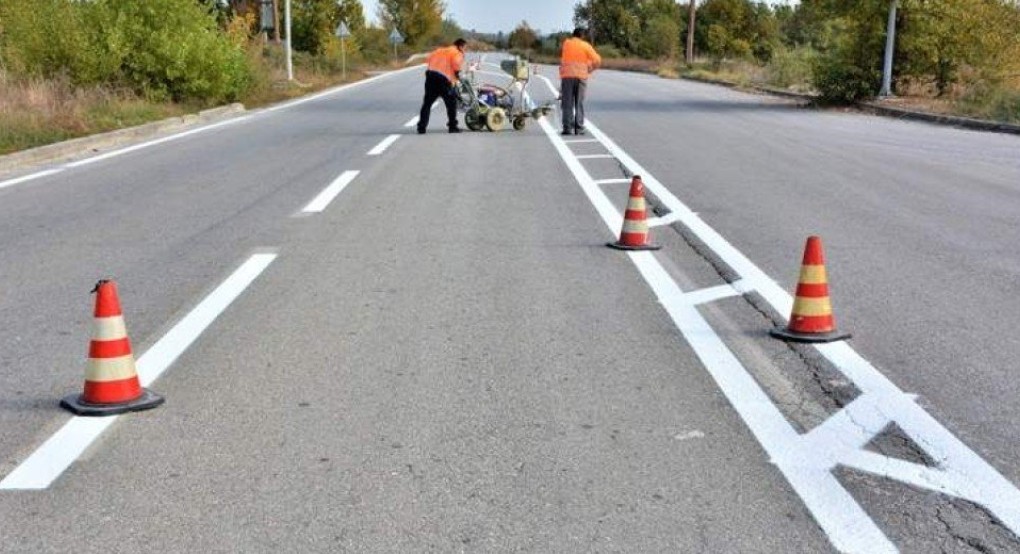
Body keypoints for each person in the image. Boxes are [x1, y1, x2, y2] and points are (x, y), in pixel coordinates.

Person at [417, 38, 467, 134]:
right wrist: (458, 76)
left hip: (430, 77)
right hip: (443, 80)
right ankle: (452, 127)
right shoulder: (457, 52)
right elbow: (456, 65)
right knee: (451, 103)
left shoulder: (439, 50)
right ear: (460, 46)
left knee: (427, 104)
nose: (465, 50)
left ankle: (421, 128)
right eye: (465, 48)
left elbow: (428, 59)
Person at [559, 28, 601, 136]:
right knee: (579, 103)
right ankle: (579, 128)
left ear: (573, 35)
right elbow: (597, 60)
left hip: (567, 76)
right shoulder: (585, 45)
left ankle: (567, 128)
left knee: (567, 103)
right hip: (581, 77)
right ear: (582, 36)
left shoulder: (566, 43)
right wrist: (591, 69)